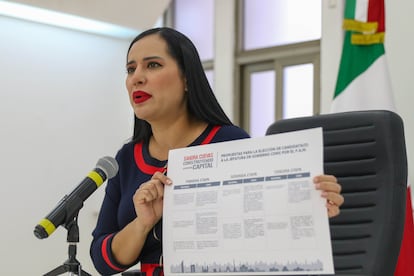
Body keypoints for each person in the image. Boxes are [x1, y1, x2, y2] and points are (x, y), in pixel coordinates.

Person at [90, 27, 344, 276]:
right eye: (130, 69)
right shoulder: (126, 158)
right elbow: (102, 260)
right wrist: (143, 223)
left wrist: (310, 206)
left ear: (187, 78)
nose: (137, 78)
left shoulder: (229, 143)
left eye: (153, 65)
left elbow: (261, 224)